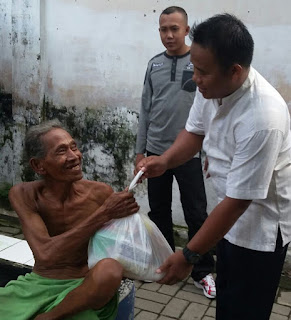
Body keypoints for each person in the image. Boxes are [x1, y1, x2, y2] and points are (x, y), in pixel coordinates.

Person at [136, 13, 291, 320]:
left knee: (246, 309)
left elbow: (238, 203)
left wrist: (189, 255)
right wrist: (165, 161)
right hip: (229, 220)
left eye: (202, 72)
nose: (195, 77)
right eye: (194, 67)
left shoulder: (264, 117)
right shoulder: (211, 85)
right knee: (227, 302)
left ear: (234, 71)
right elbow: (194, 131)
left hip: (259, 227)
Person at [0, 120, 139, 320]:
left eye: (74, 147)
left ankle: (50, 317)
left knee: (110, 269)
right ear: (38, 165)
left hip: (86, 287)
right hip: (41, 283)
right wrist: (104, 213)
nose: (74, 156)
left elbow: (124, 245)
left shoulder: (100, 192)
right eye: (61, 151)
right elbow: (46, 254)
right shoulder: (24, 194)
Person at [135, 6, 216, 298]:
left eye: (174, 29)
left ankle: (202, 271)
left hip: (188, 155)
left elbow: (212, 110)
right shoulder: (154, 64)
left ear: (186, 30)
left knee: (197, 214)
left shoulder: (200, 64)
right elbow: (145, 110)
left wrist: (211, 150)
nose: (168, 35)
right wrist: (139, 153)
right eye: (163, 29)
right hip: (155, 154)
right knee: (159, 212)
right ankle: (164, 262)